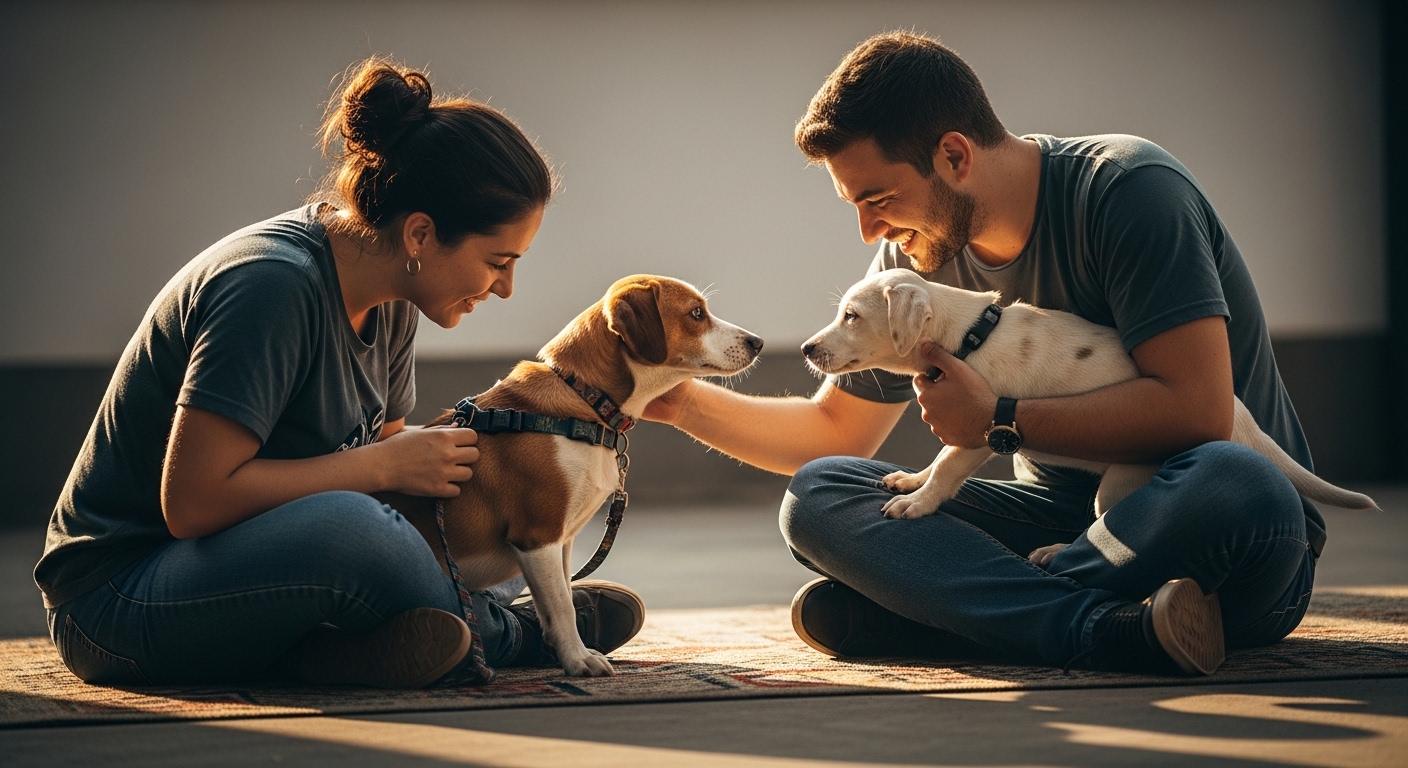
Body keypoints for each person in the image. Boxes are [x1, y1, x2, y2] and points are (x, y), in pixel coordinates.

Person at [644, 31, 1321, 675]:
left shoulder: (1128, 193)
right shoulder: (912, 259)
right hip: (1062, 525)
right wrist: (673, 397)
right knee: (820, 496)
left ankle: (965, 613)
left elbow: (1200, 414)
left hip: (1201, 524)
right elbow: (832, 435)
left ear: (956, 157)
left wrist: (999, 419)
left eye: (878, 199)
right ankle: (1105, 626)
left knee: (1237, 480)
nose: (870, 229)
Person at [34, 58, 643, 689]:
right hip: (123, 599)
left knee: (492, 526)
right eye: (498, 261)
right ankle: (516, 632)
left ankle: (343, 649)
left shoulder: (394, 300)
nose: (505, 289)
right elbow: (193, 503)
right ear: (421, 235)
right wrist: (386, 464)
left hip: (261, 562)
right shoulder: (270, 288)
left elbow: (402, 499)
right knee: (354, 534)